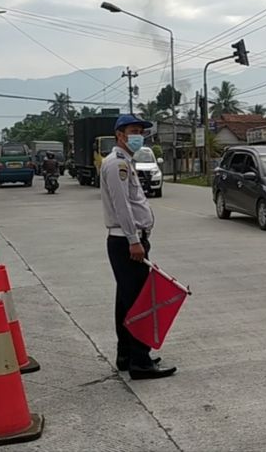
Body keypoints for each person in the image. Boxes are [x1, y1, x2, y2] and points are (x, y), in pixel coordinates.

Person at [101, 114, 176, 380]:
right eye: (133, 131)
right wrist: (134, 240)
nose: (138, 136)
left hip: (128, 240)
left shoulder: (125, 162)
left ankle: (126, 355)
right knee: (139, 303)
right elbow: (122, 206)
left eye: (141, 132)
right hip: (126, 241)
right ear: (120, 134)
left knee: (125, 301)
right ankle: (140, 362)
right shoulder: (117, 165)